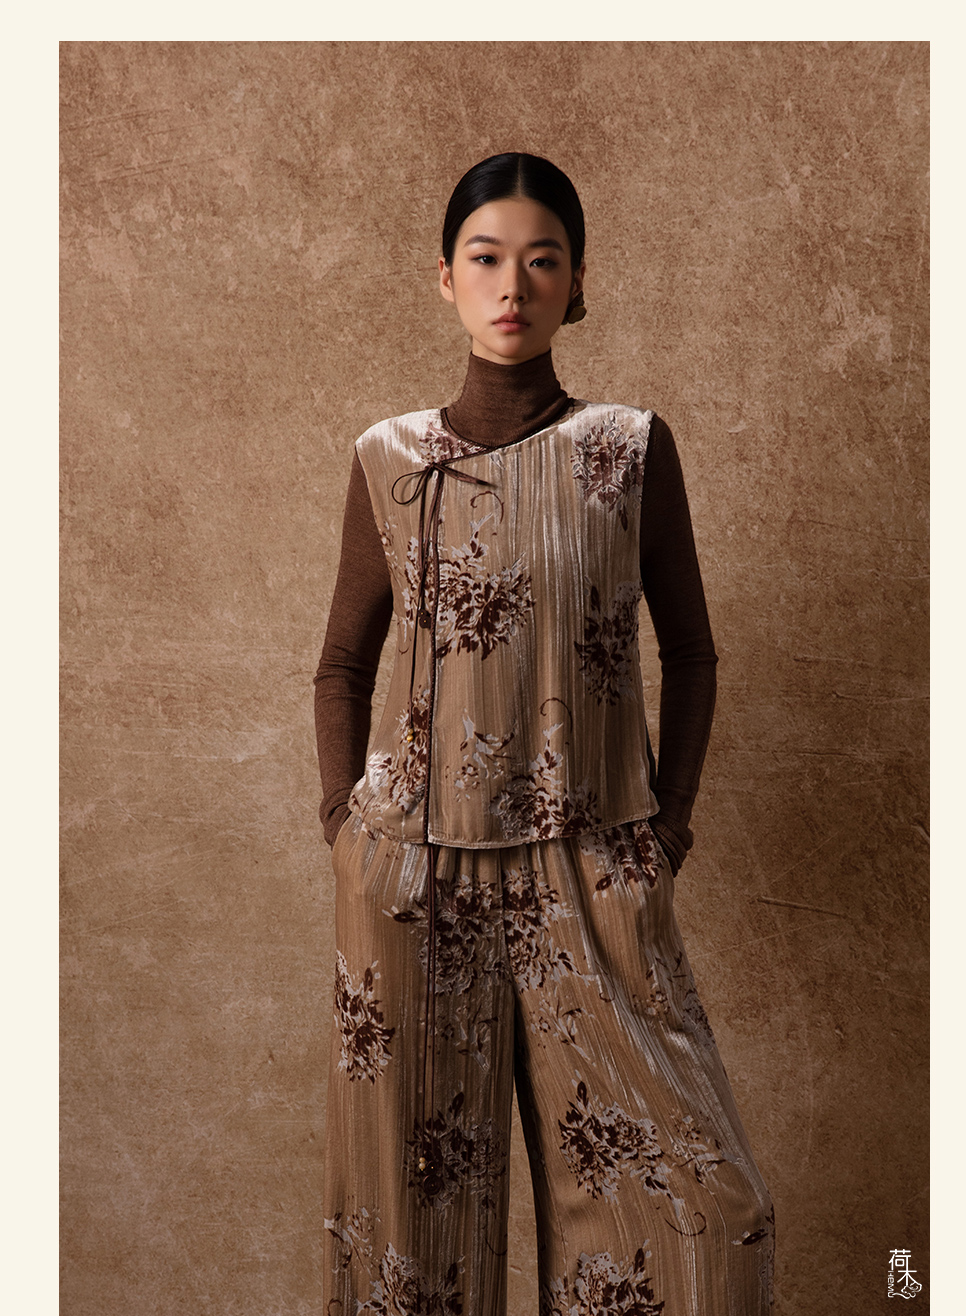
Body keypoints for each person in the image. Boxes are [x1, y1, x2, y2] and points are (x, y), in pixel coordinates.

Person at [315, 153, 773, 1316]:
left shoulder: (629, 448)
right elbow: (341, 664)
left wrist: (669, 825)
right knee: (409, 1245)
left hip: (591, 858)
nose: (511, 284)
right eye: (486, 258)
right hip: (414, 873)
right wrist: (344, 828)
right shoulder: (387, 457)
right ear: (445, 277)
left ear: (577, 283)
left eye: (541, 259)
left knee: (701, 1214)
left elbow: (695, 652)